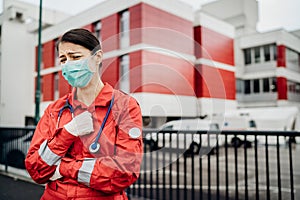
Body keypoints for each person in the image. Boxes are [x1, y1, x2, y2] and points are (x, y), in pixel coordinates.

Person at [25, 28, 143, 200]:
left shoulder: (124, 106)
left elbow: (124, 172)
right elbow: (36, 169)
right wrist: (67, 133)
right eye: (63, 59)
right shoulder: (55, 110)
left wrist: (62, 168)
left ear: (97, 57)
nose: (68, 64)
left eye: (75, 57)